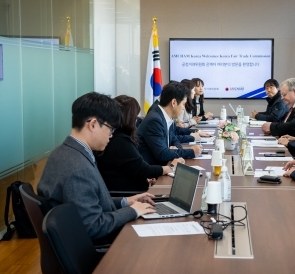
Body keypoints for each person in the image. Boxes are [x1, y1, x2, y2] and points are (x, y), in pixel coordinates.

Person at [37, 92, 156, 245]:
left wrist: (126, 202)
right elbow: (93, 226)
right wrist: (133, 211)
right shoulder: (78, 169)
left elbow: (84, 202)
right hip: (99, 251)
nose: (111, 136)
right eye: (110, 129)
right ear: (93, 124)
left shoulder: (62, 153)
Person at [96, 95, 184, 192]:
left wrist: (145, 181)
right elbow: (144, 170)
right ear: (128, 118)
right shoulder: (120, 140)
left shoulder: (119, 136)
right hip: (129, 195)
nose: (136, 120)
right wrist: (171, 167)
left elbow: (132, 168)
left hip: (132, 188)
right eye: (135, 116)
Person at [138, 81, 203, 165]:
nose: (183, 108)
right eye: (183, 104)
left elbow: (173, 138)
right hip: (154, 173)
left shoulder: (166, 116)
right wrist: (191, 152)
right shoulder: (154, 120)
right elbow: (162, 154)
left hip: (166, 165)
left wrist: (177, 149)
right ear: (173, 103)